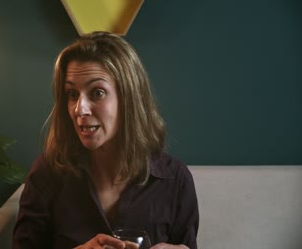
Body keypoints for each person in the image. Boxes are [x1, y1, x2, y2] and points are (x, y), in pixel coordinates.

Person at [13, 31, 199, 249]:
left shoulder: (175, 180)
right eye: (72, 94)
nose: (79, 109)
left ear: (129, 97)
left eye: (97, 93)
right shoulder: (47, 173)